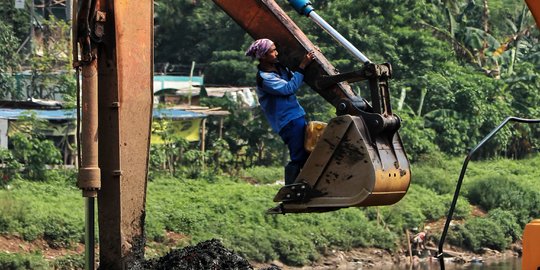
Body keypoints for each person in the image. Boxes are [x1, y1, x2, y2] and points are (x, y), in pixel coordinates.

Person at [245, 38, 315, 185]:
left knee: (308, 151)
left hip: (297, 115)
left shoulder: (280, 68)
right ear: (263, 56)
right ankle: (291, 189)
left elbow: (296, 79)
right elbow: (289, 88)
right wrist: (302, 66)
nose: (276, 53)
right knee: (298, 156)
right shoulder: (265, 78)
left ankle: (306, 185)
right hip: (287, 121)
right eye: (273, 51)